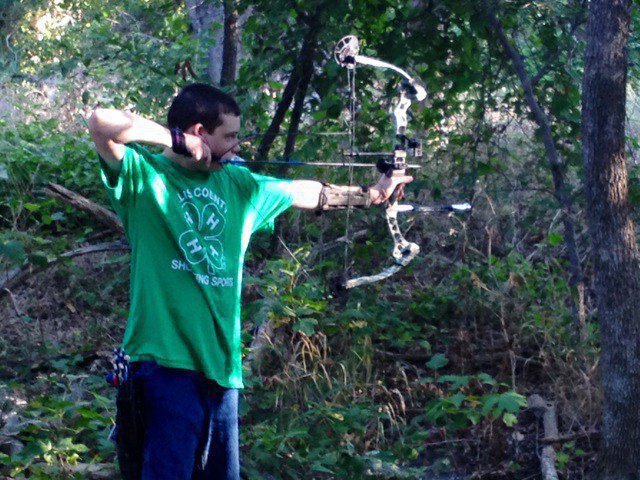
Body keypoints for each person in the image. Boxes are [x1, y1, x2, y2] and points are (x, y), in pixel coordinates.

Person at [88, 82, 412, 480]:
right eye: (230, 137)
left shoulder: (239, 186)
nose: (237, 147)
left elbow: (303, 192)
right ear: (198, 133)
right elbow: (101, 121)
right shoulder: (143, 177)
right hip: (162, 368)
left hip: (222, 372)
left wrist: (372, 194)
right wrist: (174, 140)